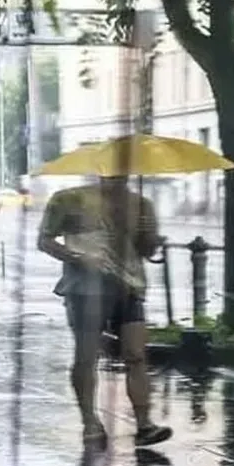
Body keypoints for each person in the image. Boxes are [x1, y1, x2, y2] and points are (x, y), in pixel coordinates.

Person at [38, 176, 173, 448]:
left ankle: (144, 424)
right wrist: (77, 257)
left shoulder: (141, 204)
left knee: (136, 355)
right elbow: (45, 240)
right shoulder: (69, 199)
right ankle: (90, 421)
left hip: (129, 287)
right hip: (85, 289)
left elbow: (146, 250)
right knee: (87, 357)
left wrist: (151, 239)